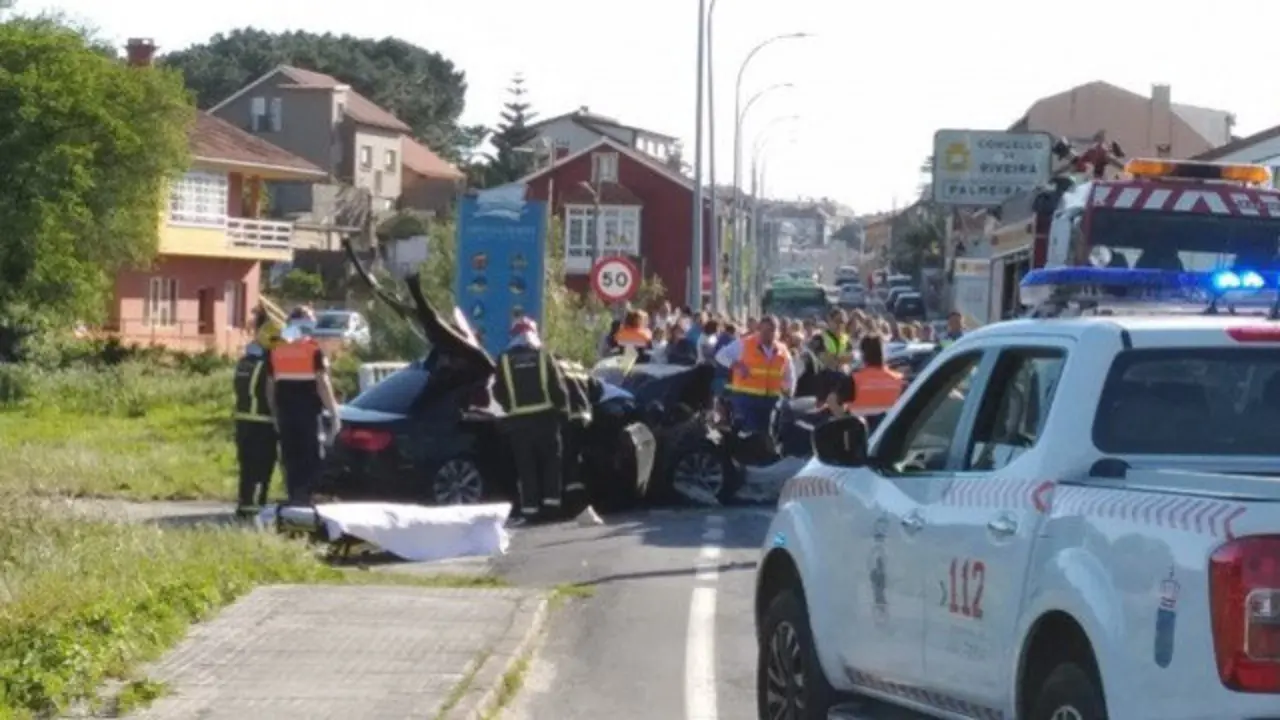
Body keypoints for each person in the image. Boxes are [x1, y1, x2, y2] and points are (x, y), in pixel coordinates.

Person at [493, 318, 569, 522]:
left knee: (526, 468)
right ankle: (551, 508)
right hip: (546, 420)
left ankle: (530, 511)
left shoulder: (504, 360)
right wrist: (563, 411)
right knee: (550, 464)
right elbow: (558, 387)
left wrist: (510, 406)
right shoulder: (544, 356)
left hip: (518, 423)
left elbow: (497, 391)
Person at [266, 306, 341, 505]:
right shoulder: (313, 349)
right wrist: (334, 412)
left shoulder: (276, 349)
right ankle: (310, 500)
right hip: (309, 413)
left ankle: (294, 498)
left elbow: (270, 386)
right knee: (312, 457)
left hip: (285, 414)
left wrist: (274, 414)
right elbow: (322, 383)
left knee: (291, 459)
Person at [233, 310, 279, 518]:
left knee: (247, 468)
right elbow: (270, 392)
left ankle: (245, 506)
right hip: (263, 421)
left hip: (242, 419)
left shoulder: (245, 360)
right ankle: (255, 509)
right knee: (262, 468)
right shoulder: (269, 362)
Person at [715, 315, 793, 434]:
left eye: (771, 331)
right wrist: (736, 365)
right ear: (759, 329)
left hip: (771, 400)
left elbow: (789, 373)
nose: (767, 334)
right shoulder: (745, 343)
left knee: (767, 435)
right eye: (764, 330)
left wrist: (789, 390)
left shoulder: (782, 350)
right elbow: (721, 355)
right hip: (747, 398)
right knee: (749, 433)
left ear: (777, 332)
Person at [555, 355, 603, 500]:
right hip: (585, 415)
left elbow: (555, 390)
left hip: (568, 416)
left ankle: (572, 493)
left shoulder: (555, 367)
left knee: (568, 455)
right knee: (578, 454)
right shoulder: (577, 366)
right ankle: (582, 488)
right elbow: (597, 389)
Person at [849, 335, 904, 416]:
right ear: (883, 353)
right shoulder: (899, 380)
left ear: (862, 355)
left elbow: (832, 400)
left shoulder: (852, 381)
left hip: (860, 426)